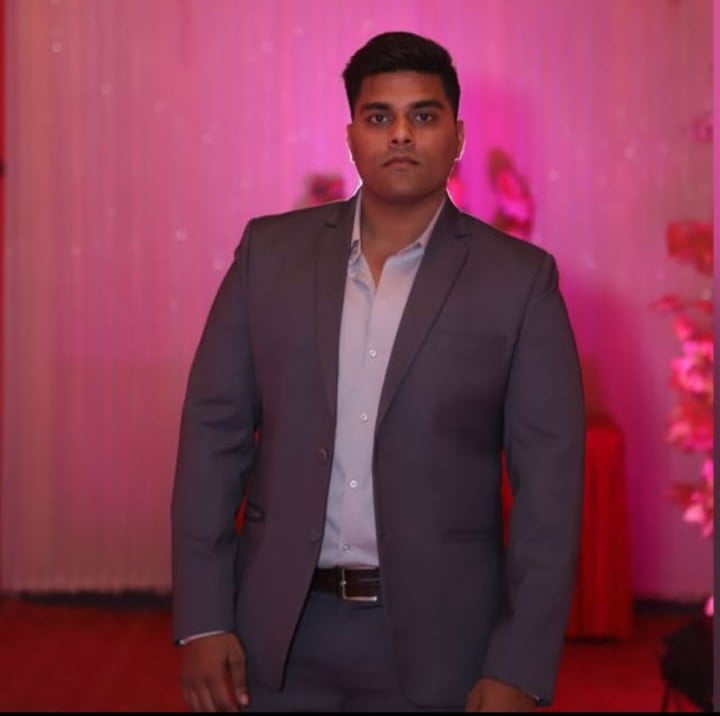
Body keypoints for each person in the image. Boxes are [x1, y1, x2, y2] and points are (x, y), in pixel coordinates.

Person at [171, 30, 585, 712]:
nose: (400, 135)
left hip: (443, 642)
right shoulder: (269, 256)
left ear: (457, 136)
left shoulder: (519, 282)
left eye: (423, 115)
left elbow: (551, 490)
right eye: (378, 116)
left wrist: (521, 662)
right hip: (277, 631)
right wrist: (202, 618)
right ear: (351, 136)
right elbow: (212, 439)